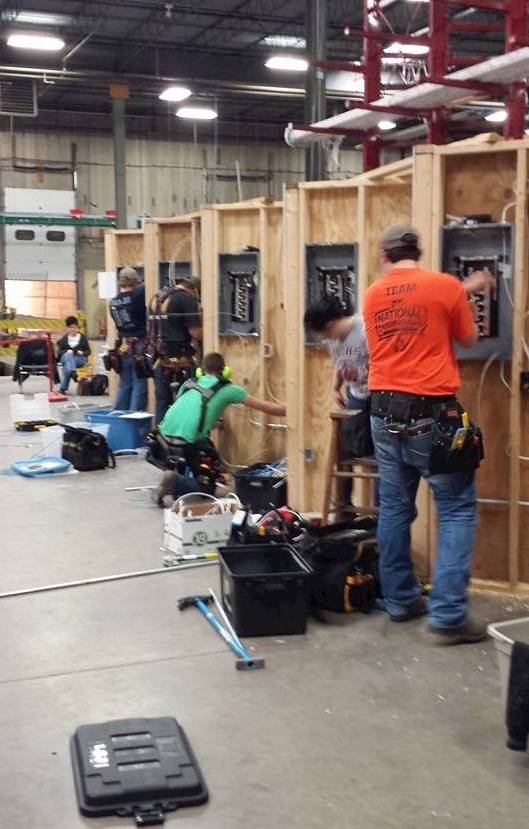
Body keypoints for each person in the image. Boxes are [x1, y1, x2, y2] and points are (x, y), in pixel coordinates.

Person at [362, 223, 495, 645]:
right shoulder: (445, 286)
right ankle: (448, 616)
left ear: (384, 256)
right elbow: (469, 339)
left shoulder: (371, 294)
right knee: (456, 510)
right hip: (432, 415)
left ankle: (401, 600)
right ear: (418, 251)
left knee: (395, 508)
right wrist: (468, 292)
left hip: (382, 413)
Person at [154, 351, 286, 505]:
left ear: (201, 370)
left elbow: (186, 411)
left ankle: (180, 477)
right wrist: (295, 409)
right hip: (186, 445)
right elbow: (271, 408)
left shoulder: (189, 383)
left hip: (161, 438)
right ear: (225, 371)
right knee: (206, 488)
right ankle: (175, 481)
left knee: (207, 446)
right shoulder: (228, 389)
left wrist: (215, 423)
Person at [303, 295, 373, 512]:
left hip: (377, 395)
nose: (324, 339)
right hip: (355, 394)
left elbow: (381, 362)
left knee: (379, 457)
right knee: (345, 452)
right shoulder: (331, 340)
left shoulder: (364, 331)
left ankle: (380, 517)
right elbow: (341, 362)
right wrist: (335, 387)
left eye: (323, 333)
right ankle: (343, 508)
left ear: (331, 324)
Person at [149, 276, 203, 426]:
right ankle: (179, 435)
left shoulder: (157, 298)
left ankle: (159, 436)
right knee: (184, 400)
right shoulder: (187, 299)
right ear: (194, 289)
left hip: (158, 359)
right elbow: (195, 333)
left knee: (162, 401)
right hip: (180, 360)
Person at [109, 266, 148, 411]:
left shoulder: (113, 302)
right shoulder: (137, 295)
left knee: (125, 383)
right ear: (135, 281)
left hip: (123, 346)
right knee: (139, 382)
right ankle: (134, 417)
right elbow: (147, 287)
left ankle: (118, 415)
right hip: (139, 345)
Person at [56, 316, 91, 394]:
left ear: (77, 327)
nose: (72, 329)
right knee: (68, 356)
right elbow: (59, 352)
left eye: (74, 327)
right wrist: (67, 351)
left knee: (67, 367)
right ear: (67, 328)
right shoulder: (64, 339)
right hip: (66, 358)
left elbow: (88, 351)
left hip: (79, 359)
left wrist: (82, 353)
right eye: (70, 327)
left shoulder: (82, 338)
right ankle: (72, 372)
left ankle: (63, 388)